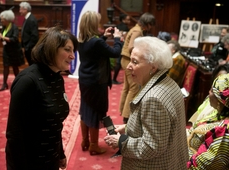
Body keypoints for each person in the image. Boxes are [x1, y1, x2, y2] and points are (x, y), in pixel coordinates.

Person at [104, 36, 188, 169]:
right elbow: (161, 127)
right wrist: (127, 128)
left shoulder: (153, 98)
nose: (128, 67)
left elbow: (151, 146)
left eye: (135, 62)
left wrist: (120, 141)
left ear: (153, 67)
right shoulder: (167, 81)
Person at [5, 27, 78, 170]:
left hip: (50, 158)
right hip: (29, 162)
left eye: (73, 51)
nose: (73, 56)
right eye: (67, 49)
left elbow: (55, 124)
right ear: (51, 49)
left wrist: (60, 153)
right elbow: (14, 135)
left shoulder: (56, 78)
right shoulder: (28, 81)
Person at [78, 11, 123, 155]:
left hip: (85, 79)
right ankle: (93, 145)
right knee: (96, 112)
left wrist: (104, 36)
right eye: (97, 22)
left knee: (85, 109)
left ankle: (85, 141)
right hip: (96, 82)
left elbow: (94, 47)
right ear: (92, 24)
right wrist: (117, 39)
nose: (98, 24)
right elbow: (115, 52)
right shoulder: (96, 42)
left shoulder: (82, 39)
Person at [187, 73, 229, 169]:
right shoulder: (218, 111)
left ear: (220, 100)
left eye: (211, 91)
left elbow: (204, 165)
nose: (208, 93)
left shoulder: (225, 132)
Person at [120, 12, 155, 124]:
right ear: (148, 23)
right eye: (151, 24)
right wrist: (138, 58)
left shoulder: (136, 29)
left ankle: (123, 111)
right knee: (134, 88)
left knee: (127, 87)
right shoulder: (137, 31)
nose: (151, 27)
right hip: (127, 60)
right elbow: (131, 47)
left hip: (125, 60)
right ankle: (127, 117)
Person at [188, 64, 229, 128]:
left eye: (220, 85)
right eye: (215, 82)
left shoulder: (221, 125)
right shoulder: (208, 100)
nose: (210, 91)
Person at [0, 10, 24, 91]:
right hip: (6, 50)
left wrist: (2, 37)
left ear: (7, 19)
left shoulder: (14, 27)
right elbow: (2, 38)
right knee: (5, 66)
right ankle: (4, 83)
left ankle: (18, 83)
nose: (1, 20)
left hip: (14, 51)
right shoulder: (4, 27)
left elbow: (14, 39)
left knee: (15, 67)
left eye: (2, 19)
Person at [112, 14, 131, 84]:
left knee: (118, 62)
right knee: (119, 62)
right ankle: (114, 79)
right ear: (123, 20)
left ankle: (114, 78)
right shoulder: (125, 28)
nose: (129, 21)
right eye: (128, 19)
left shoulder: (117, 26)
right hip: (123, 46)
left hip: (117, 44)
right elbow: (126, 38)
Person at [19, 1, 39, 66]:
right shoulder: (27, 18)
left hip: (30, 48)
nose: (19, 11)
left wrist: (28, 47)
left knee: (32, 64)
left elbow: (34, 36)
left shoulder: (31, 19)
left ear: (25, 9)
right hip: (27, 47)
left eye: (21, 9)